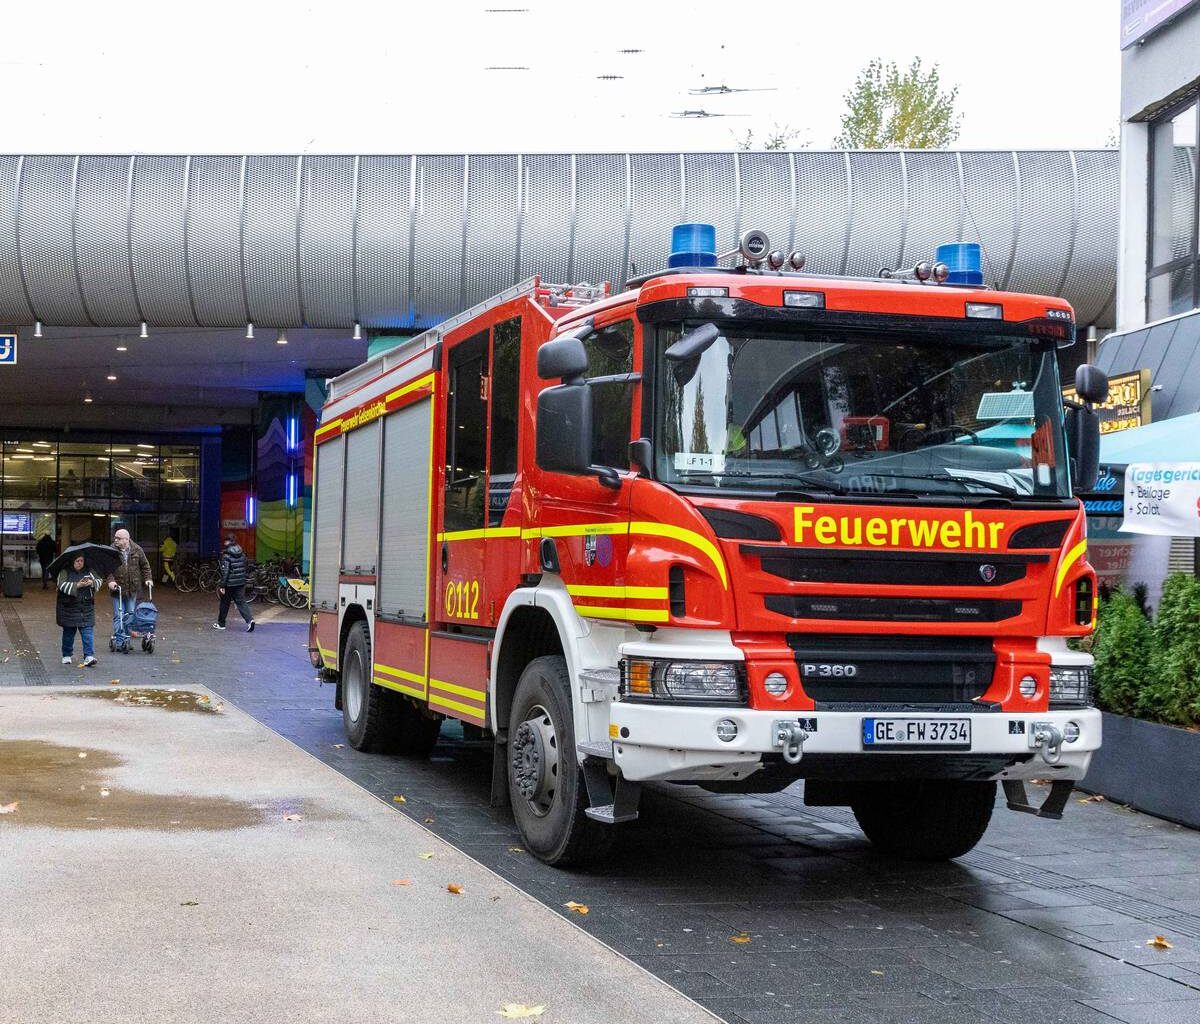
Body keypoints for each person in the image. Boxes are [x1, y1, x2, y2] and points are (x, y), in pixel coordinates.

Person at [106, 528, 152, 648]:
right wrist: (110, 581)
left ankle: (126, 638)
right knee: (118, 615)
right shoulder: (111, 550)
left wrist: (148, 579)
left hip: (132, 588)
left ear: (126, 539)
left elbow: (145, 566)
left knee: (130, 614)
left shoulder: (137, 550)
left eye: (118, 538)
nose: (115, 540)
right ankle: (120, 641)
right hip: (117, 589)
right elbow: (107, 569)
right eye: (115, 537)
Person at [57, 553, 98, 667]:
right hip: (68, 607)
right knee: (69, 633)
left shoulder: (89, 571)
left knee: (87, 631)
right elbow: (61, 585)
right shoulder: (64, 571)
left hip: (86, 606)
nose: (80, 563)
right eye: (77, 561)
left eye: (82, 561)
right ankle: (66, 655)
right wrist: (77, 585)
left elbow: (99, 581)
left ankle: (88, 656)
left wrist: (92, 583)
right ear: (72, 561)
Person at [214, 535, 255, 632]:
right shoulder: (242, 553)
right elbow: (246, 566)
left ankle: (221, 624)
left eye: (225, 541)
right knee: (241, 602)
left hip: (229, 584)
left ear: (229, 542)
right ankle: (250, 620)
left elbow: (225, 571)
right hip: (240, 582)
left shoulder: (226, 555)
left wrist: (222, 585)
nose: (224, 543)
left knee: (224, 603)